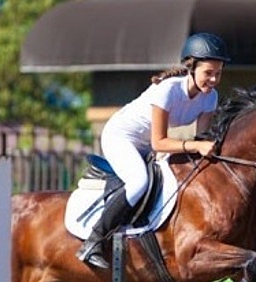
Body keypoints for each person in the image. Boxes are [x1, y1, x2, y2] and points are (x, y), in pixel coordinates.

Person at [76, 33, 230, 268]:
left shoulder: (210, 98)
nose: (213, 80)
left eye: (218, 74)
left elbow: (201, 139)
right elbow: (160, 142)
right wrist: (197, 145)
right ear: (191, 67)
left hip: (146, 143)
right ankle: (93, 241)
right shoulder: (169, 90)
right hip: (121, 137)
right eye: (208, 73)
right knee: (139, 182)